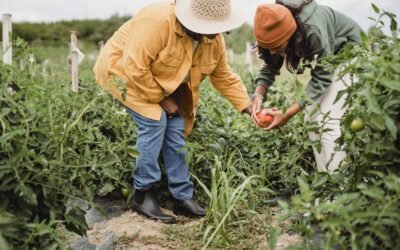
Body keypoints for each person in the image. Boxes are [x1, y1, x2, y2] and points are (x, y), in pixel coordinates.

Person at [93, 0, 251, 224]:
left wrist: (247, 106)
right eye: (209, 29)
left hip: (162, 80)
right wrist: (162, 99)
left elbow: (223, 74)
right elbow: (134, 67)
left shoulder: (213, 38)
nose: (215, 35)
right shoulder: (157, 21)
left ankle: (181, 196)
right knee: (155, 121)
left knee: (176, 125)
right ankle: (142, 193)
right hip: (123, 73)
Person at [250, 0, 363, 172]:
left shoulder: (312, 29)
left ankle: (340, 190)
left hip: (353, 55)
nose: (273, 52)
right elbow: (270, 65)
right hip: (332, 60)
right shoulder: (277, 25)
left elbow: (322, 77)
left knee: (326, 121)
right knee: (311, 118)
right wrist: (258, 95)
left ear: (290, 34)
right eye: (269, 47)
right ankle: (325, 183)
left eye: (277, 47)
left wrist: (286, 114)